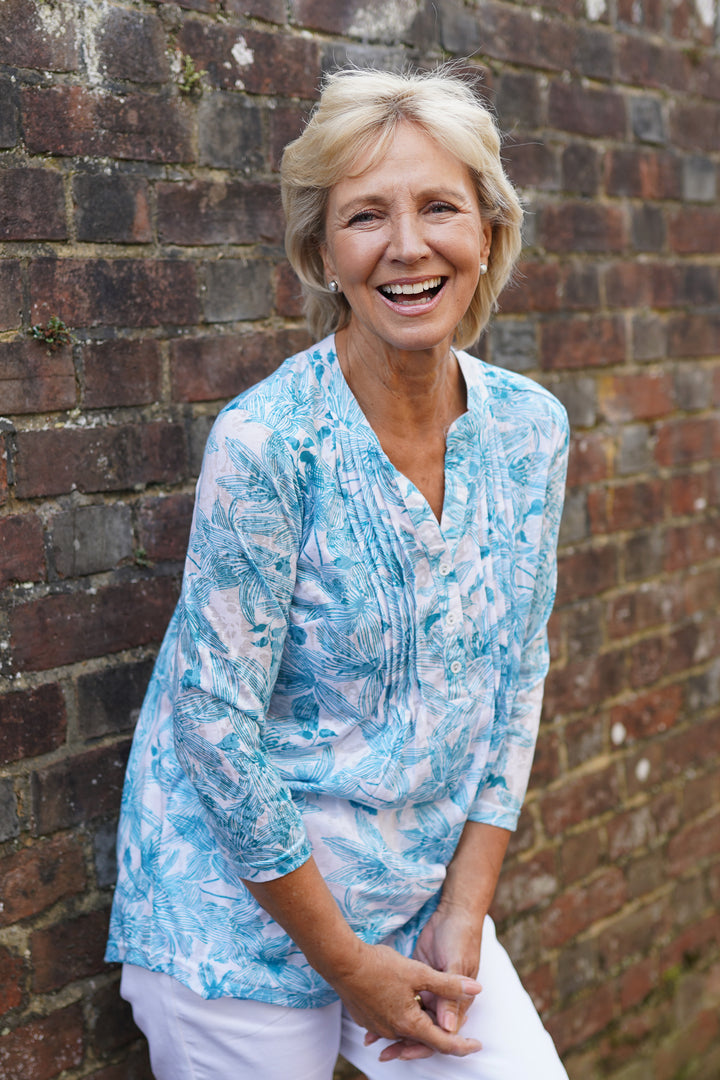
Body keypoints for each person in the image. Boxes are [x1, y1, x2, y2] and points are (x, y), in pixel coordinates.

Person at [106, 67, 570, 1079]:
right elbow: (214, 729)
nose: (407, 246)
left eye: (439, 206)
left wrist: (465, 908)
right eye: (366, 215)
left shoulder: (531, 430)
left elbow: (518, 672)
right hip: (233, 924)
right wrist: (347, 965)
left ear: (487, 231)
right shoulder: (269, 444)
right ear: (322, 253)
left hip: (413, 903)